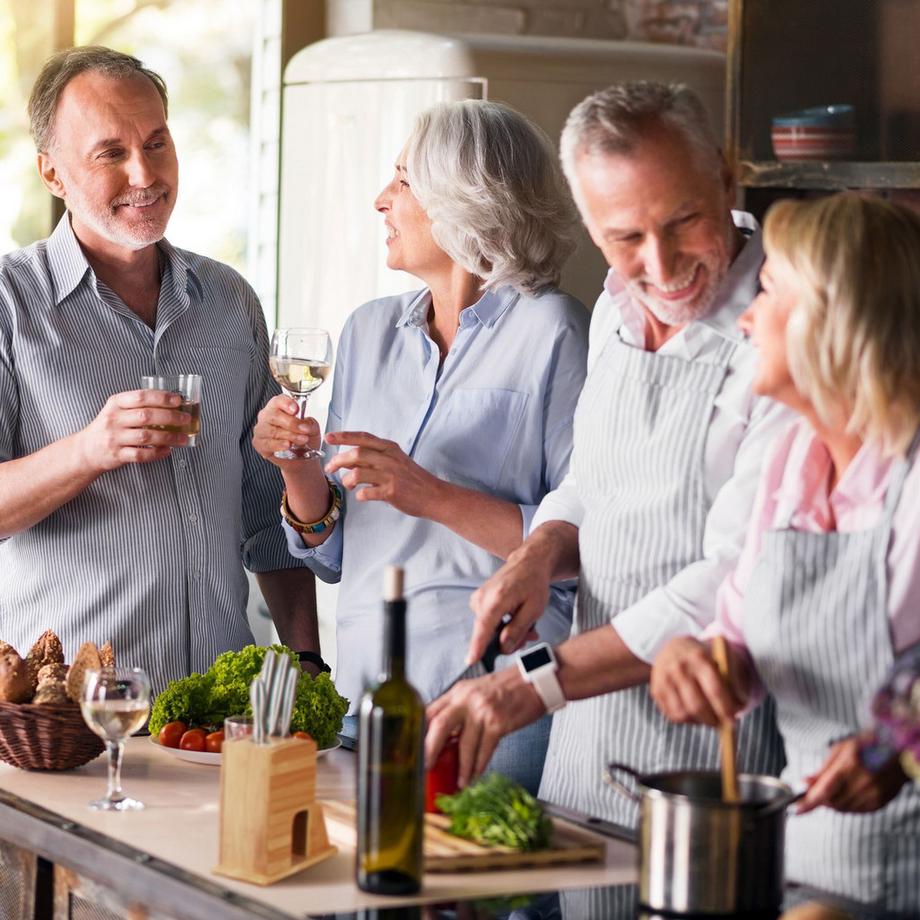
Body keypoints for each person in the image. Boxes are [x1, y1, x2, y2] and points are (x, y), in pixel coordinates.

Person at [425, 82, 793, 826]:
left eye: (684, 221)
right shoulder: (615, 316)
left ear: (726, 179)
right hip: (587, 746)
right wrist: (539, 552)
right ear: (591, 228)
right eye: (625, 239)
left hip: (717, 756)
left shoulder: (787, 327)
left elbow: (735, 575)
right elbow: (590, 485)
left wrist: (534, 684)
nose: (660, 265)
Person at [253, 99, 589, 792]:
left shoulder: (555, 332)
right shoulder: (369, 330)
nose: (382, 199)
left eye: (402, 180)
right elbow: (336, 550)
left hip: (497, 709)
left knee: (495, 901)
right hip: (367, 699)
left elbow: (580, 548)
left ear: (464, 197)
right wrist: (298, 470)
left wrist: (428, 493)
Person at [0, 47, 317, 694]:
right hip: (67, 718)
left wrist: (306, 663)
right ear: (53, 175)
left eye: (157, 143)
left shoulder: (229, 301)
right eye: (110, 154)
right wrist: (91, 449)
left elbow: (268, 514)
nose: (145, 174)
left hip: (216, 712)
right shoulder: (10, 304)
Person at [651, 193, 920, 912]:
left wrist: (903, 745)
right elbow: (734, 640)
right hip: (806, 873)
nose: (744, 318)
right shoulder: (791, 462)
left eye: (767, 291)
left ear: (836, 318)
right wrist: (697, 661)